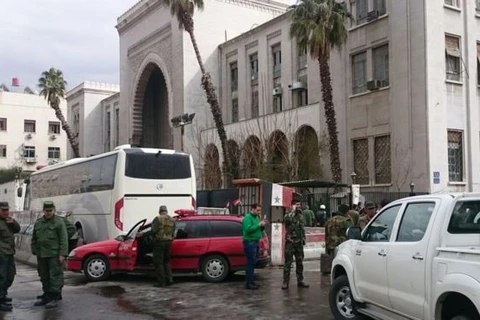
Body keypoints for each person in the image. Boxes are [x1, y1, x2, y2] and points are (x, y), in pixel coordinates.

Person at [31, 201, 68, 309]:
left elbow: (63, 240)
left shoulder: (59, 222)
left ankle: (54, 297)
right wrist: (34, 249)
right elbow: (34, 238)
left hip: (54, 254)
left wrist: (62, 254)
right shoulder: (38, 222)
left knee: (55, 276)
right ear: (43, 211)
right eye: (46, 211)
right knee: (44, 275)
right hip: (41, 254)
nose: (48, 213)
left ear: (54, 210)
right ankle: (47, 294)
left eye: (50, 211)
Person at [282, 200, 309, 290]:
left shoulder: (301, 215)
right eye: (297, 204)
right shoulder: (288, 214)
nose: (298, 206)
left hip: (299, 243)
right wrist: (292, 211)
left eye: (299, 204)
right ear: (292, 205)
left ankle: (300, 280)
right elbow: (286, 220)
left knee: (300, 262)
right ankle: (285, 282)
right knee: (288, 263)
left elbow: (302, 228)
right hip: (290, 243)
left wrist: (303, 238)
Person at [0, 202, 20, 312]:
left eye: (7, 210)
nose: (5, 212)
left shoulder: (8, 221)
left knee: (10, 275)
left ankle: (3, 295)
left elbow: (17, 229)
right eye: (3, 210)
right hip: (1, 254)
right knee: (1, 277)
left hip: (9, 253)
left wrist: (13, 222)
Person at [241, 203, 266, 290]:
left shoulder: (257, 217)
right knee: (250, 263)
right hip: (249, 242)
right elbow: (248, 229)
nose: (259, 212)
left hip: (256, 241)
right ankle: (249, 283)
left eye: (260, 210)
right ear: (253, 209)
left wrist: (262, 226)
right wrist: (259, 225)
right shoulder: (248, 217)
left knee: (253, 262)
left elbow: (258, 229)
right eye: (257, 210)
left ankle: (251, 281)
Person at [151, 205, 175, 287]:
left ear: (159, 211)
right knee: (166, 261)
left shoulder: (158, 218)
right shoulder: (172, 219)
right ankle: (170, 279)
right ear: (166, 211)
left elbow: (153, 230)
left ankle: (162, 282)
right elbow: (173, 231)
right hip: (169, 242)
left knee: (159, 262)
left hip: (159, 242)